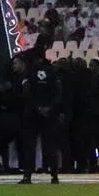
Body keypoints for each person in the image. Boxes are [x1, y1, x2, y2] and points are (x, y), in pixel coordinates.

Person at [21, 49, 63, 184]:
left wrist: (37, 107)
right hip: (49, 114)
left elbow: (27, 92)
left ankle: (27, 175)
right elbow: (58, 93)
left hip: (32, 113)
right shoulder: (52, 72)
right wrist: (49, 107)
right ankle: (54, 175)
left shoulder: (29, 72)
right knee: (50, 145)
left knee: (30, 145)